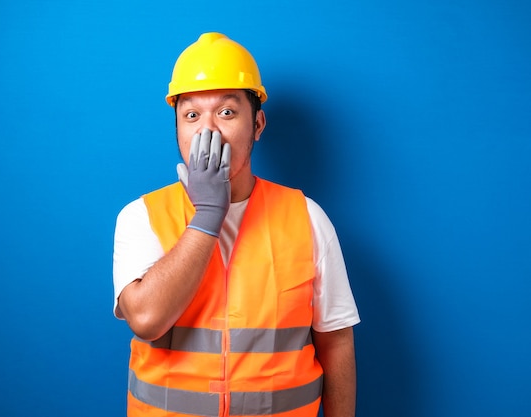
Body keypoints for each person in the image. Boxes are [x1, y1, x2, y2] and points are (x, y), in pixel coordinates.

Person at [112, 32, 360, 417]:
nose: (208, 132)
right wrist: (208, 215)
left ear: (258, 124)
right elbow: (145, 319)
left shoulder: (307, 217)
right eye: (191, 115)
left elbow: (337, 341)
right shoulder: (141, 217)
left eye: (227, 112)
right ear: (177, 128)